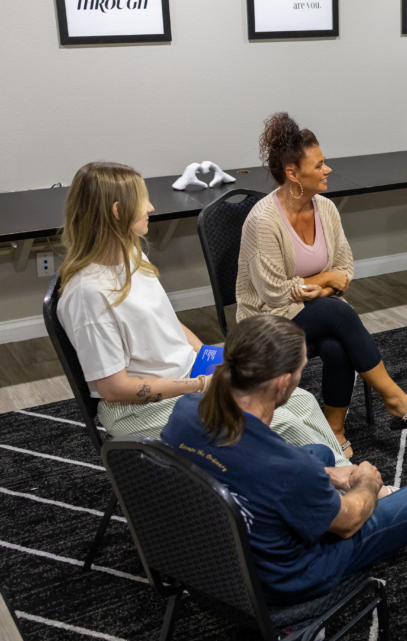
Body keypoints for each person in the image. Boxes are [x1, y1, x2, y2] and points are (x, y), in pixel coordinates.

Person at [161, 314, 407, 641]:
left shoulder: (187, 412)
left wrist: (323, 472)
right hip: (286, 582)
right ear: (281, 384)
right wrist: (367, 484)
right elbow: (349, 520)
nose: (301, 377)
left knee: (321, 451)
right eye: (300, 371)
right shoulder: (286, 469)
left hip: (213, 562)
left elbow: (250, 469)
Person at [56, 162, 350, 464]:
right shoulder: (88, 294)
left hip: (186, 375)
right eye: (142, 200)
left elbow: (166, 323)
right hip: (137, 409)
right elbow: (114, 389)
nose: (151, 207)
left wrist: (211, 359)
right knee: (279, 423)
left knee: (301, 401)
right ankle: (346, 493)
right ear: (118, 211)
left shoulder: (130, 254)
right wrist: (201, 384)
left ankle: (346, 477)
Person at [237, 112, 407, 458]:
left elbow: (345, 270)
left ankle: (334, 429)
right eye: (319, 165)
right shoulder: (263, 220)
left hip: (315, 312)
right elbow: (274, 293)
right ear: (292, 173)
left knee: (335, 343)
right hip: (266, 321)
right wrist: (327, 281)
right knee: (337, 315)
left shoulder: (327, 210)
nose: (327, 169)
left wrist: (325, 286)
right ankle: (394, 397)